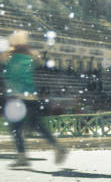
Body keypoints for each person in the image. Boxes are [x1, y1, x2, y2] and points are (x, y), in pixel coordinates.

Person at [3, 31, 67, 167]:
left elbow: (10, 77)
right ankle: (57, 147)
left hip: (17, 97)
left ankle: (22, 156)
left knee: (15, 128)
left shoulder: (12, 58)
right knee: (37, 125)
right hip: (31, 96)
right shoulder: (29, 57)